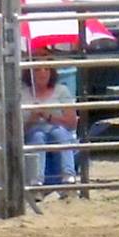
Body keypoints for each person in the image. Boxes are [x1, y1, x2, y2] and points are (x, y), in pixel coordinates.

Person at [22, 54, 78, 188]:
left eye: (46, 69)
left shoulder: (62, 91)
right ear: (30, 73)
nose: (43, 73)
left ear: (51, 72)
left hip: (58, 129)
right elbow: (18, 130)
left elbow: (72, 123)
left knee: (59, 133)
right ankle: (36, 180)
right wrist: (32, 118)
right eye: (37, 69)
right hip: (33, 131)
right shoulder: (23, 94)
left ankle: (68, 176)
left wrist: (49, 117)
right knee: (38, 136)